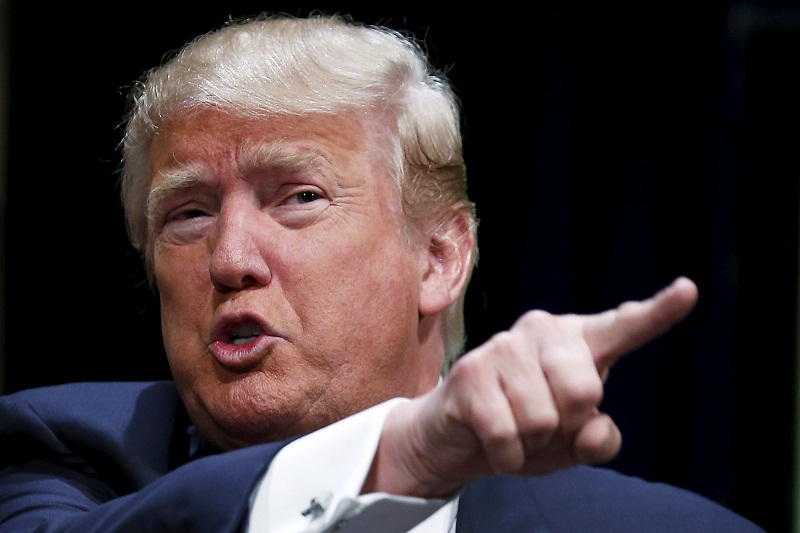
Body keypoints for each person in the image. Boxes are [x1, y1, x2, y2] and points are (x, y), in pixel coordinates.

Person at [0, 11, 764, 533]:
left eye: (299, 197)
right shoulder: (61, 454)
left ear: (439, 257)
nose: (230, 259)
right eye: (188, 214)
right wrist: (400, 457)